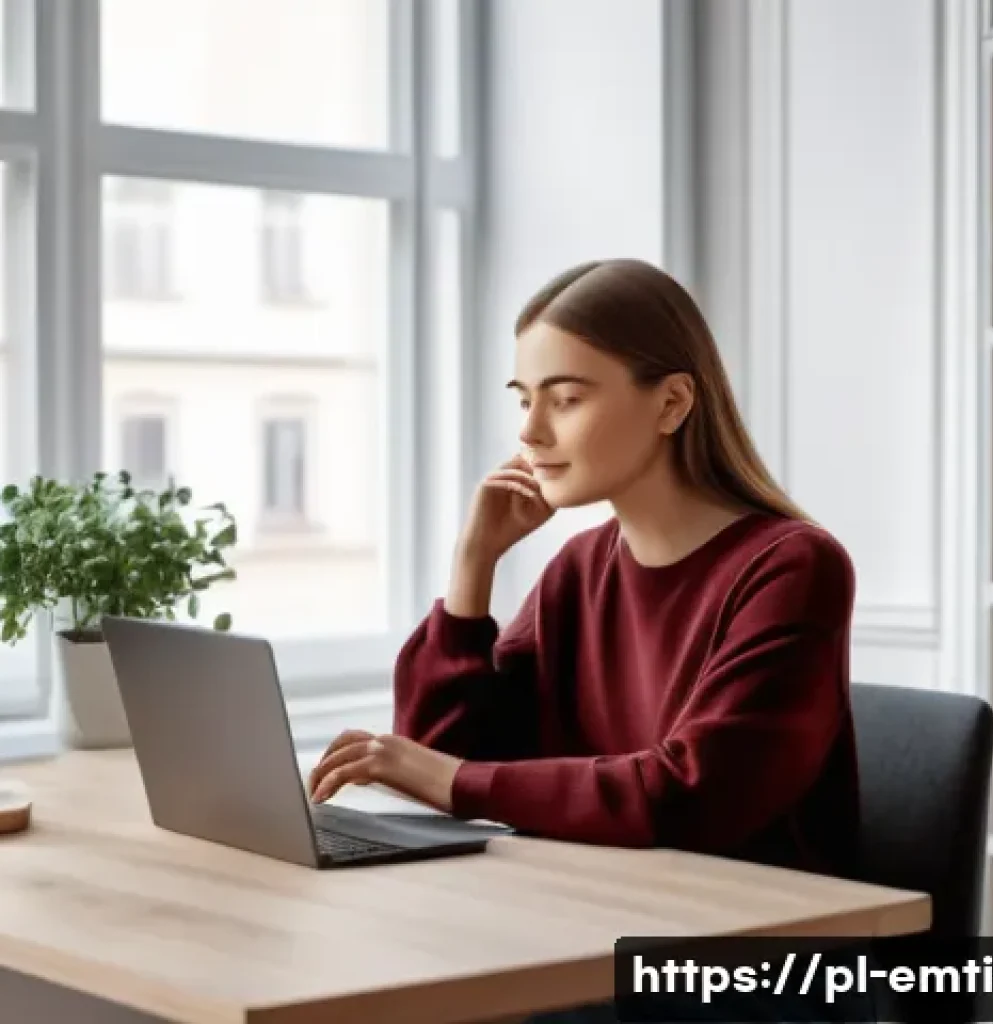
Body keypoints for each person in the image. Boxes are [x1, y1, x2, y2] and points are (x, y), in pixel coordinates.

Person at [307, 259, 876, 1023]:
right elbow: (449, 749)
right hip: (604, 929)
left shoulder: (793, 567)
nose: (530, 431)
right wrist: (472, 566)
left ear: (673, 401)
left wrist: (446, 776)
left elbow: (688, 795)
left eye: (566, 399)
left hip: (757, 976)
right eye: (524, 400)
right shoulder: (580, 567)